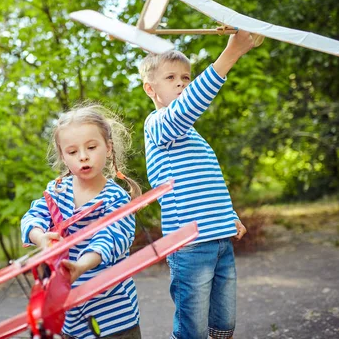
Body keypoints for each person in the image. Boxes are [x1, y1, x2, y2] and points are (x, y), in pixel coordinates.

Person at [139, 31, 255, 339]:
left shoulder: (193, 137)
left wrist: (228, 215)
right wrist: (229, 55)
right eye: (171, 77)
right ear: (150, 89)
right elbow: (184, 110)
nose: (181, 83)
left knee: (224, 324)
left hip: (220, 240)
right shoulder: (159, 125)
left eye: (186, 77)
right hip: (189, 246)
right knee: (194, 330)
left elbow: (207, 183)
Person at [21, 104, 143, 339]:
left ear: (108, 148)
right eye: (73, 152)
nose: (83, 156)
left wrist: (81, 266)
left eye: (91, 147)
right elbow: (32, 216)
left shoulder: (115, 198)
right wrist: (41, 237)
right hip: (71, 317)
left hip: (113, 316)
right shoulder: (57, 191)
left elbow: (110, 238)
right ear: (63, 156)